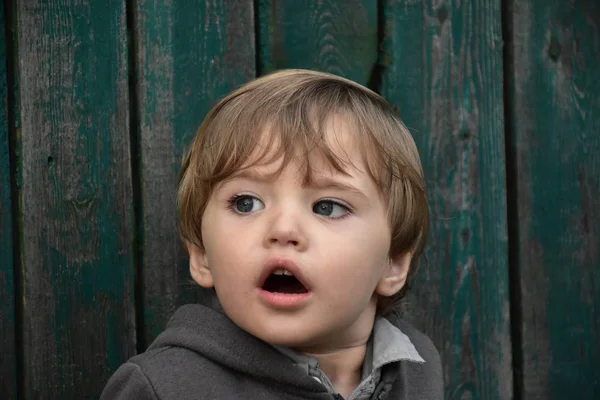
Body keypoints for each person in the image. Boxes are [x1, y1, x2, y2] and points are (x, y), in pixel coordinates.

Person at [100, 69, 443, 400]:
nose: (283, 229)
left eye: (328, 207)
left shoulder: (418, 371)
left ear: (392, 263)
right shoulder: (163, 388)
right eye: (246, 203)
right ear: (202, 254)